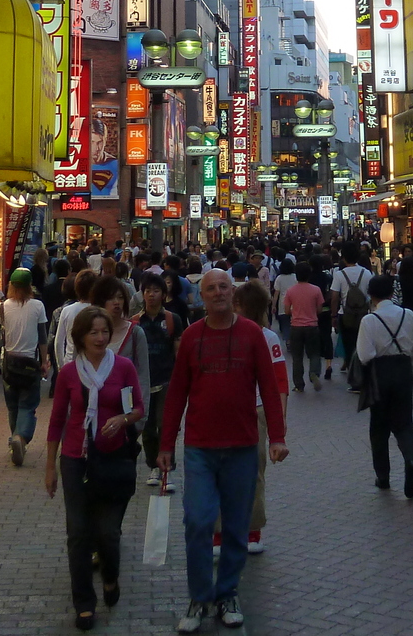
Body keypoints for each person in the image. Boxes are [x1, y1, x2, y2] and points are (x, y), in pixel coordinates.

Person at [158, 270, 289, 632]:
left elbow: (269, 386)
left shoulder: (252, 335)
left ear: (234, 293)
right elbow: (177, 394)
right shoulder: (191, 338)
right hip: (200, 447)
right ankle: (200, 596)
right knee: (198, 520)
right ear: (201, 296)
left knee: (235, 526)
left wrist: (277, 436)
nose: (217, 293)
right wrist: (166, 443)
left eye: (223, 287)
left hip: (243, 445)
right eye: (210, 289)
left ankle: (227, 591)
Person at [45, 306, 145, 631]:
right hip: (76, 459)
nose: (101, 338)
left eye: (105, 332)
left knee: (107, 533)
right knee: (78, 534)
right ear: (81, 337)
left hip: (114, 460)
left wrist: (122, 418)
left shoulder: (123, 368)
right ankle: (84, 603)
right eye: (94, 333)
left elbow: (137, 408)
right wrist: (50, 466)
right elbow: (58, 419)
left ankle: (112, 577)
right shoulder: (70, 375)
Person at [222, 280, 288, 554]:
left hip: (255, 410)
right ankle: (232, 532)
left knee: (251, 472)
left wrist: (278, 428)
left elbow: (279, 383)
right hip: (233, 409)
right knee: (234, 471)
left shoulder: (268, 338)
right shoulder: (223, 333)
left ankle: (250, 530)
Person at [357, 273, 413, 498]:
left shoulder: (369, 320)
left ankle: (383, 476)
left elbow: (365, 355)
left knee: (379, 427)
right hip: (404, 372)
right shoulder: (408, 315)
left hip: (380, 374)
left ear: (372, 295)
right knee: (405, 423)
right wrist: (411, 370)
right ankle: (410, 460)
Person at [0, 268, 49, 466]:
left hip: (9, 364)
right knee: (27, 405)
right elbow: (43, 337)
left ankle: (15, 440)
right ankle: (20, 438)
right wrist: (45, 361)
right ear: (29, 287)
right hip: (30, 364)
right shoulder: (38, 306)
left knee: (12, 406)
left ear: (11, 286)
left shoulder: (0, 308)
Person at [136, 273, 186, 489]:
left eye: (156, 291)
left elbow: (179, 351)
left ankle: (168, 470)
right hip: (143, 382)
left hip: (167, 379)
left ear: (163, 295)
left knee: (165, 425)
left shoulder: (172, 320)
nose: (151, 295)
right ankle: (153, 467)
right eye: (148, 291)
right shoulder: (136, 322)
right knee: (147, 429)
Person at [93, 275, 151, 399]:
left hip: (126, 404)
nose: (116, 302)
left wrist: (141, 413)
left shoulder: (135, 333)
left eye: (120, 297)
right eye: (111, 298)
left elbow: (143, 376)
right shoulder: (87, 333)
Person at [331, 244, 375, 383]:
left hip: (345, 314)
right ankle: (363, 373)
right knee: (363, 344)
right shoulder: (367, 273)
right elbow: (372, 294)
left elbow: (334, 297)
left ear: (343, 258)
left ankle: (353, 376)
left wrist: (333, 316)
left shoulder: (339, 274)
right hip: (364, 314)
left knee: (349, 345)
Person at [279, 261, 326, 391]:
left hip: (296, 326)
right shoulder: (316, 290)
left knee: (297, 357)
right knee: (315, 353)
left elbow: (287, 311)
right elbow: (319, 310)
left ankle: (299, 385)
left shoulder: (290, 291)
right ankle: (314, 373)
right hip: (312, 325)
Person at [53, 268, 100, 370]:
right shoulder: (99, 311)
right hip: (94, 365)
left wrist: (61, 366)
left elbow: (58, 342)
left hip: (70, 363)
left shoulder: (67, 310)